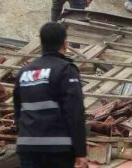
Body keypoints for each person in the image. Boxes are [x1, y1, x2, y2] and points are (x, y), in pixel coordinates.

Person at [14, 23, 87, 168]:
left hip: (27, 148)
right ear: (64, 44)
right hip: (57, 150)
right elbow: (74, 113)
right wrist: (80, 151)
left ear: (42, 43)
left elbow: (17, 112)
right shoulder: (66, 70)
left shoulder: (24, 72)